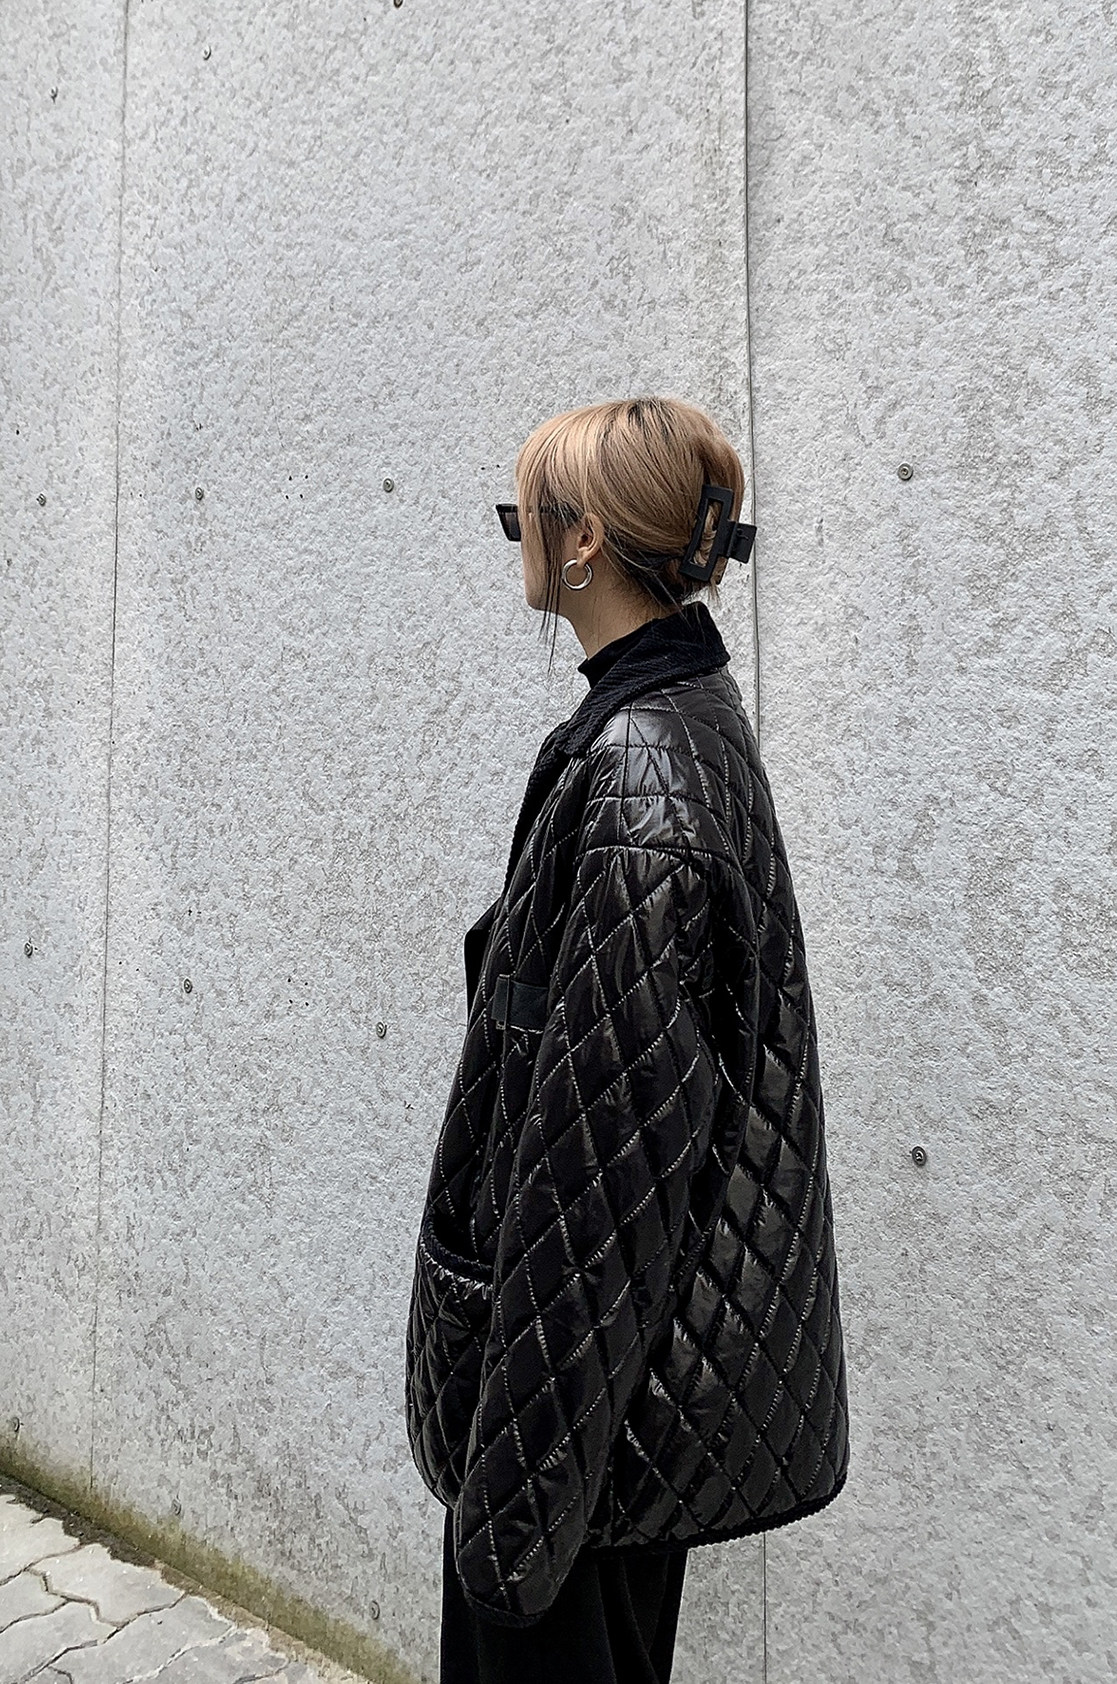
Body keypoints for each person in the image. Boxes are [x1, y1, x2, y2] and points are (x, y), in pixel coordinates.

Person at [407, 397, 849, 1684]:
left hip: (574, 1404)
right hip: (614, 1387)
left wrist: (514, 1496)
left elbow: (596, 1182)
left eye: (523, 520)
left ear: (586, 539)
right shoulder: (678, 715)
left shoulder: (638, 772)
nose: (520, 545)